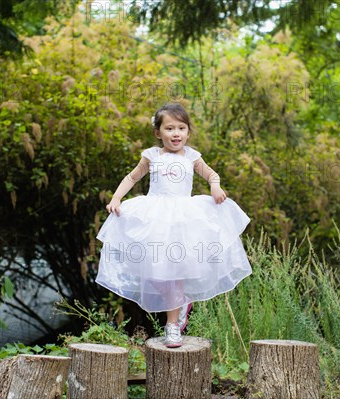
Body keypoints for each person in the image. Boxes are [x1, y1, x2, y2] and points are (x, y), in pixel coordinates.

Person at [96, 102, 252, 348]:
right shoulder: (151, 155)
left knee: (174, 272)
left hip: (183, 219)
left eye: (181, 128)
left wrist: (215, 186)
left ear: (188, 132)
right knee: (156, 272)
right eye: (169, 128)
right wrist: (116, 198)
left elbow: (212, 174)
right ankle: (181, 302)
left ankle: (172, 326)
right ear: (158, 133)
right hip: (155, 216)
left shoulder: (191, 156)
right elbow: (132, 177)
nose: (176, 133)